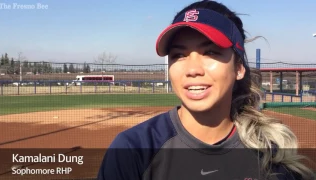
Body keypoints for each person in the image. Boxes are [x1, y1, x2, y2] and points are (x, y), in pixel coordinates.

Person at [97, 1, 315, 179]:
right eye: (179, 55)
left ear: (239, 68)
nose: (192, 69)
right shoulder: (132, 149)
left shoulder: (270, 157)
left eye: (210, 52)